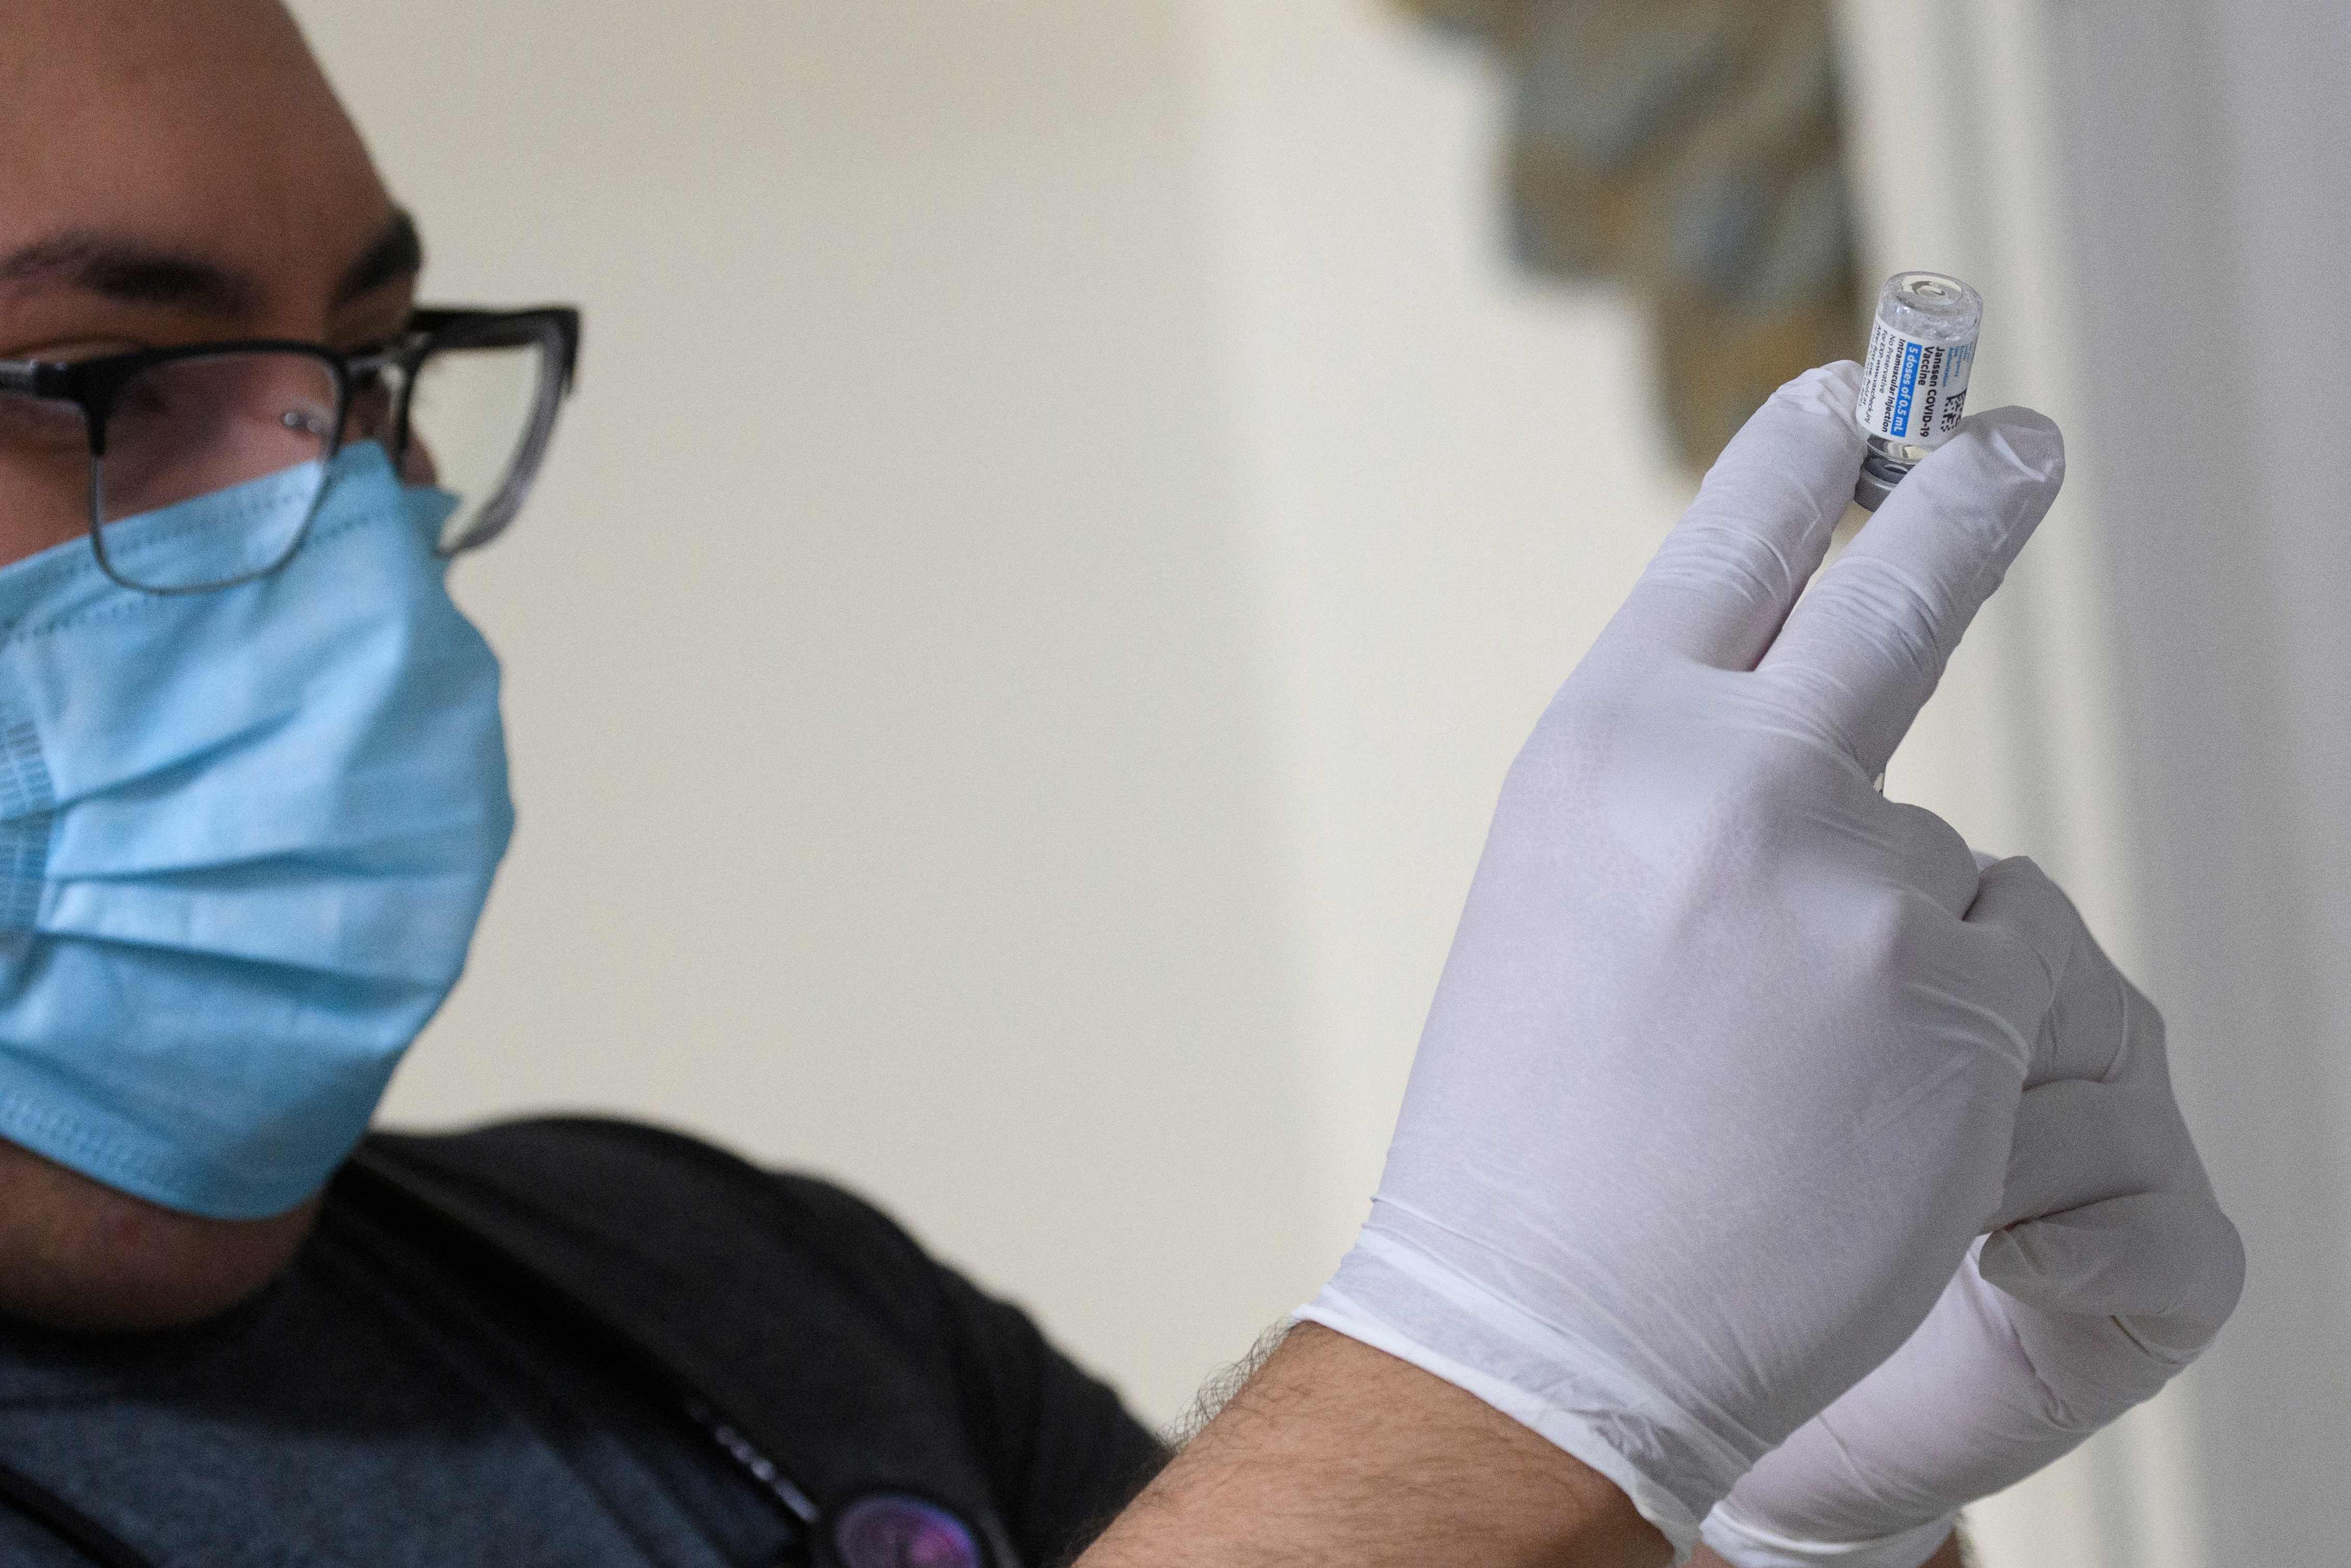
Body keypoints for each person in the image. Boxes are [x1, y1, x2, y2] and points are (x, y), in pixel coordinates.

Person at [0, 5, 2240, 1566]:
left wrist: (1741, 1523)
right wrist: (1513, 1375)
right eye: (96, 377)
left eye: (372, 367)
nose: (347, 522)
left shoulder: (720, 1292)